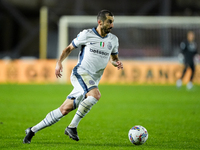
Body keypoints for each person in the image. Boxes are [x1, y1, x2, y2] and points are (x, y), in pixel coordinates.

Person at [23, 10, 123, 144]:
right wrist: (59, 63)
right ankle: (72, 127)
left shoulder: (113, 40)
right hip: (81, 73)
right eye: (109, 21)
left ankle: (32, 130)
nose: (112, 25)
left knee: (64, 109)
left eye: (113, 22)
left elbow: (113, 57)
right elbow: (68, 49)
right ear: (100, 22)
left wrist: (116, 62)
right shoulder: (86, 34)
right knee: (95, 95)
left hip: (92, 79)